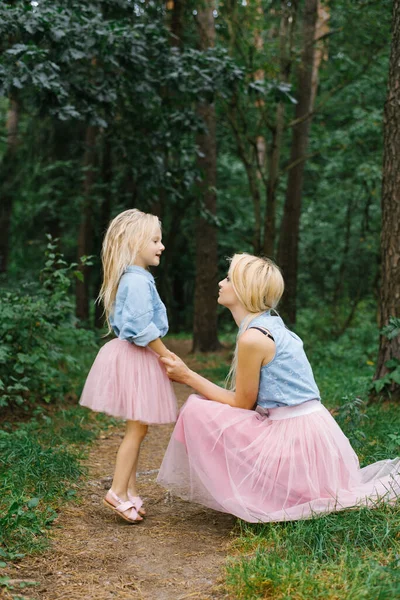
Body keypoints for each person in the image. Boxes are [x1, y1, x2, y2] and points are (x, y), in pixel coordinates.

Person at [157, 253, 400, 523]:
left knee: (197, 410)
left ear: (244, 289)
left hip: (296, 437)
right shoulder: (269, 325)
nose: (220, 283)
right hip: (311, 431)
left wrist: (188, 375)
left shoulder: (254, 338)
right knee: (205, 406)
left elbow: (241, 404)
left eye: (227, 278)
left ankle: (252, 492)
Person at [80, 209, 177, 523]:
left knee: (139, 426)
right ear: (135, 244)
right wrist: (166, 355)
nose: (161, 246)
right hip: (136, 356)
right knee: (137, 429)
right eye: (155, 240)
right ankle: (117, 491)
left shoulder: (138, 276)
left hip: (135, 357)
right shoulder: (136, 280)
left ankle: (130, 488)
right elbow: (138, 326)